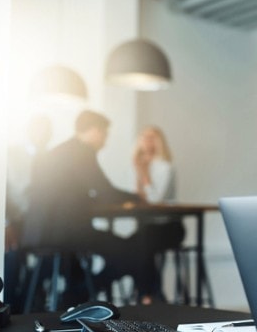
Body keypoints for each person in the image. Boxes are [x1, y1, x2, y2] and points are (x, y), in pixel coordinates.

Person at [22, 110, 151, 307]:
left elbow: (65, 193)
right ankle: (87, 294)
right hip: (67, 233)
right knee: (131, 249)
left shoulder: (57, 152)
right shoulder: (81, 151)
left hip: (39, 233)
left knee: (107, 252)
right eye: (105, 134)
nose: (105, 141)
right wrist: (137, 198)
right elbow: (105, 191)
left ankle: (75, 295)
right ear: (94, 131)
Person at [4, 114, 53, 312]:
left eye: (46, 131)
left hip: (43, 223)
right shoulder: (10, 154)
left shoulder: (52, 159)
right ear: (29, 131)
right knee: (12, 256)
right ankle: (10, 303)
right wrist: (5, 223)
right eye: (38, 130)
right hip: (15, 220)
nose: (42, 135)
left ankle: (30, 296)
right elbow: (0, 190)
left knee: (60, 253)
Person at [131, 126, 185, 305]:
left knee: (143, 240)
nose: (147, 141)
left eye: (152, 137)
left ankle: (147, 295)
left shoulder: (164, 167)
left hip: (169, 227)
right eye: (144, 137)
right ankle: (153, 293)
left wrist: (144, 175)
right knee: (133, 242)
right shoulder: (140, 165)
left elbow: (154, 199)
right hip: (148, 226)